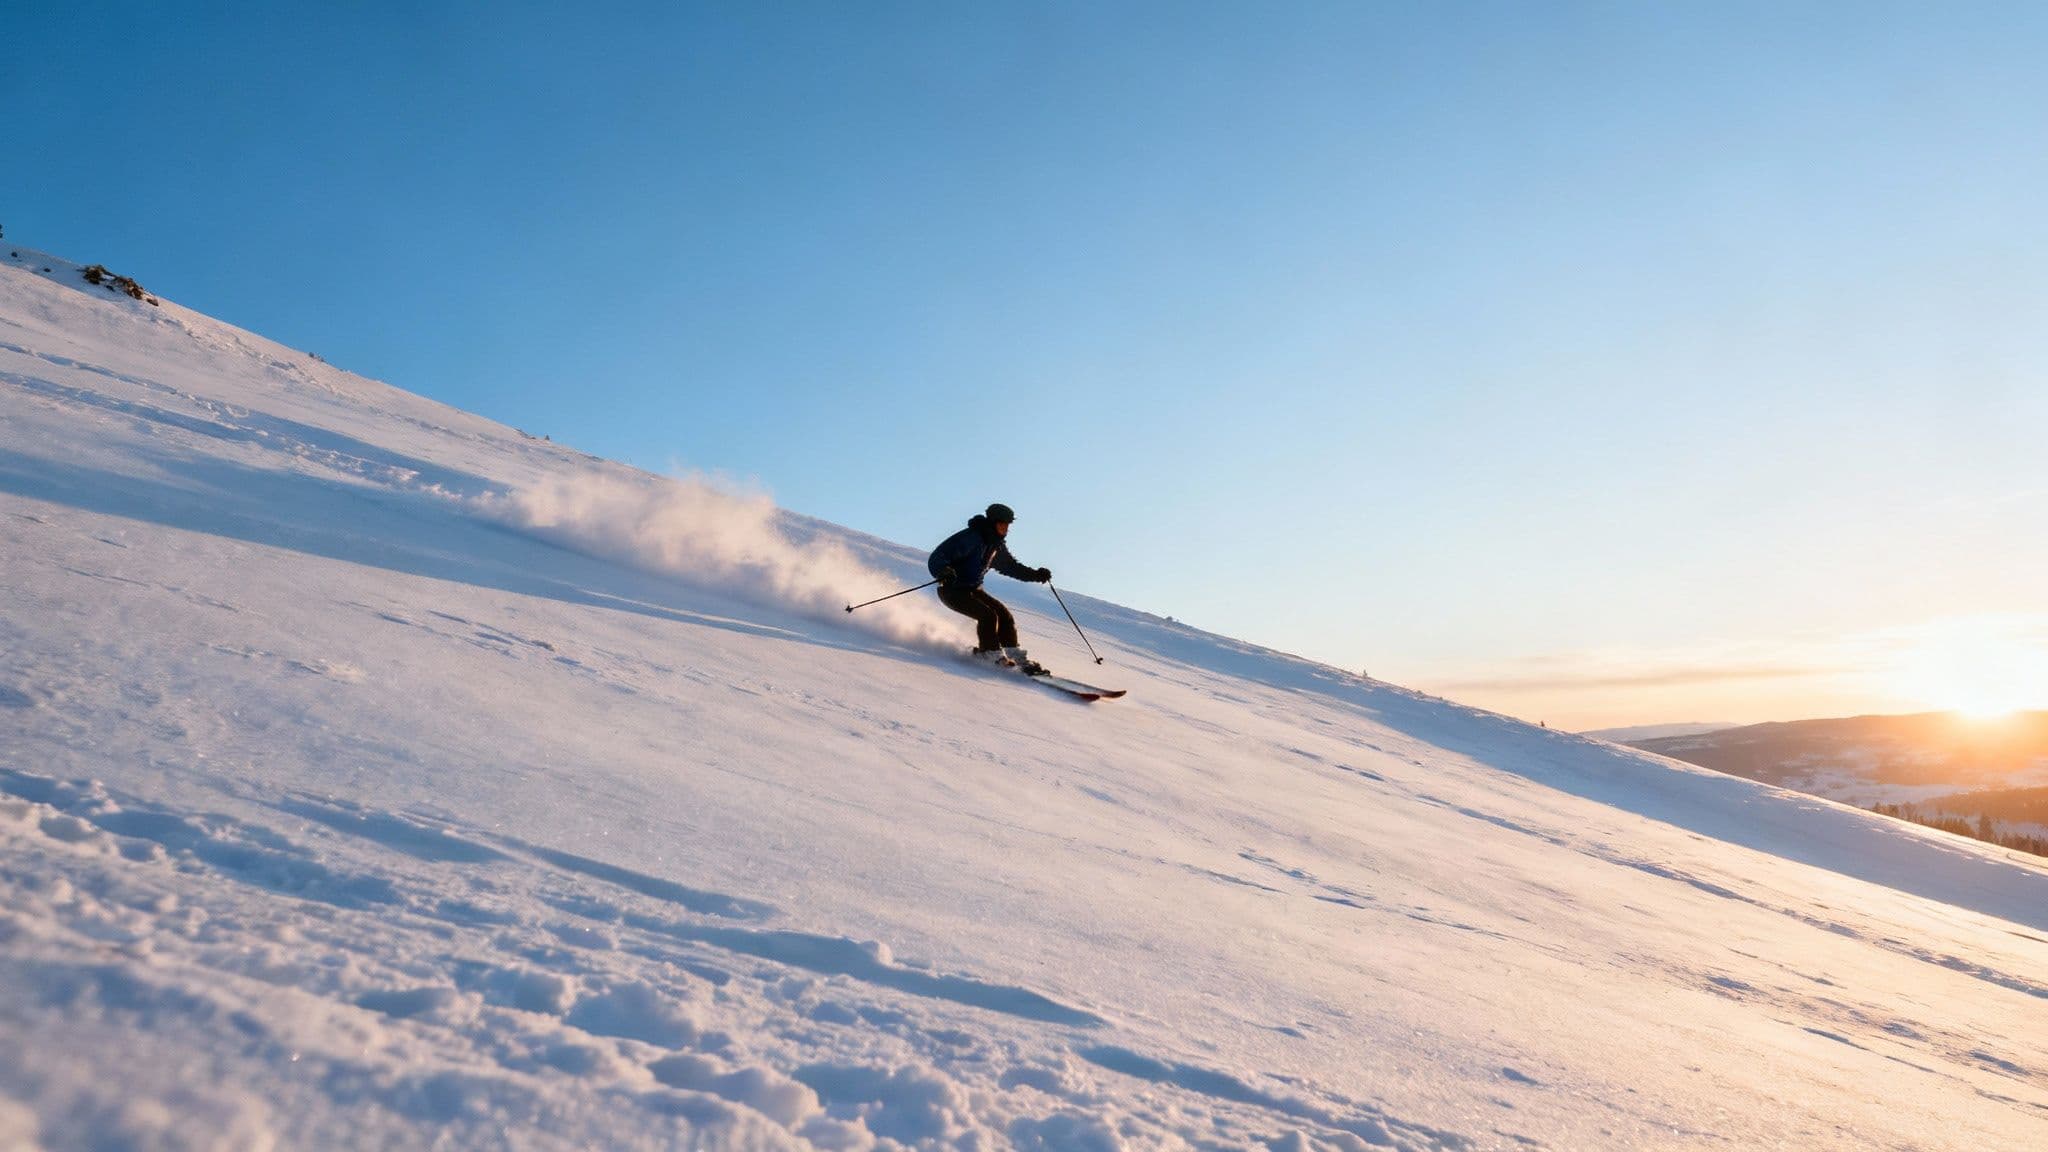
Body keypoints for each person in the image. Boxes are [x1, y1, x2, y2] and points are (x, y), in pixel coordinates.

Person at [928, 503, 1052, 673]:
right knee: (988, 616)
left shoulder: (996, 545)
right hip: (952, 590)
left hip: (973, 590)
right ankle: (990, 655)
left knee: (1004, 614)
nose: (1006, 528)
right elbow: (938, 556)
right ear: (992, 522)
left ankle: (1016, 657)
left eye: (1008, 524)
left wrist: (1036, 575)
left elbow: (1011, 567)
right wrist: (943, 571)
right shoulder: (971, 538)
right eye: (1002, 524)